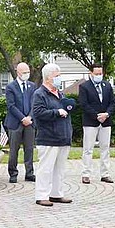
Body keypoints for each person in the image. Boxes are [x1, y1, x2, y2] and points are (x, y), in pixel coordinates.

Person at [31, 63, 75, 207]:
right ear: (48, 78)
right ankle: (42, 195)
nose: (59, 78)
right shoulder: (40, 94)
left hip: (63, 136)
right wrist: (56, 112)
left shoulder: (60, 93)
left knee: (59, 168)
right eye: (57, 76)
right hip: (48, 137)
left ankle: (56, 194)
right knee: (46, 168)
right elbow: (38, 113)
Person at [77, 64, 115, 184]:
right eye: (97, 74)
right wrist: (96, 116)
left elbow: (113, 102)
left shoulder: (107, 86)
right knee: (88, 149)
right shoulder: (84, 87)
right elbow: (84, 104)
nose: (99, 75)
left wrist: (107, 114)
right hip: (90, 122)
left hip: (106, 122)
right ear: (91, 73)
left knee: (105, 148)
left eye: (101, 73)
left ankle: (105, 174)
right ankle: (86, 174)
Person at [3, 62, 36, 183]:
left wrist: (30, 117)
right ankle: (13, 173)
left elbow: (34, 104)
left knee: (29, 149)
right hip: (15, 123)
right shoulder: (11, 87)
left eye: (28, 72)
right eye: (24, 72)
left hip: (30, 122)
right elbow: (11, 106)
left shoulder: (32, 86)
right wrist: (23, 118)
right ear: (18, 72)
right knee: (14, 150)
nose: (27, 74)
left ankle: (29, 173)